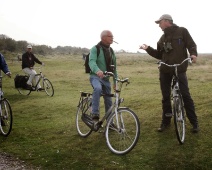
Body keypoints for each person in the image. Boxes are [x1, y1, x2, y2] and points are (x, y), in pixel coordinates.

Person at [139, 14, 199, 133]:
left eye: (160, 23)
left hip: (179, 68)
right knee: (166, 97)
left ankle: (194, 123)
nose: (159, 26)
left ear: (167, 21)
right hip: (165, 70)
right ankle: (166, 122)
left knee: (186, 95)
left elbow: (191, 44)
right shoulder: (162, 38)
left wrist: (193, 54)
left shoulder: (182, 31)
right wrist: (148, 49)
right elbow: (159, 55)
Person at [89, 30, 117, 122]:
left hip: (106, 80)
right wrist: (97, 71)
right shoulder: (95, 49)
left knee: (109, 101)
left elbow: (114, 68)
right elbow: (91, 61)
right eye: (110, 36)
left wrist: (115, 82)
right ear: (103, 38)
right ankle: (95, 113)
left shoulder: (112, 51)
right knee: (98, 89)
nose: (112, 38)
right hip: (96, 77)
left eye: (112, 36)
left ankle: (110, 123)